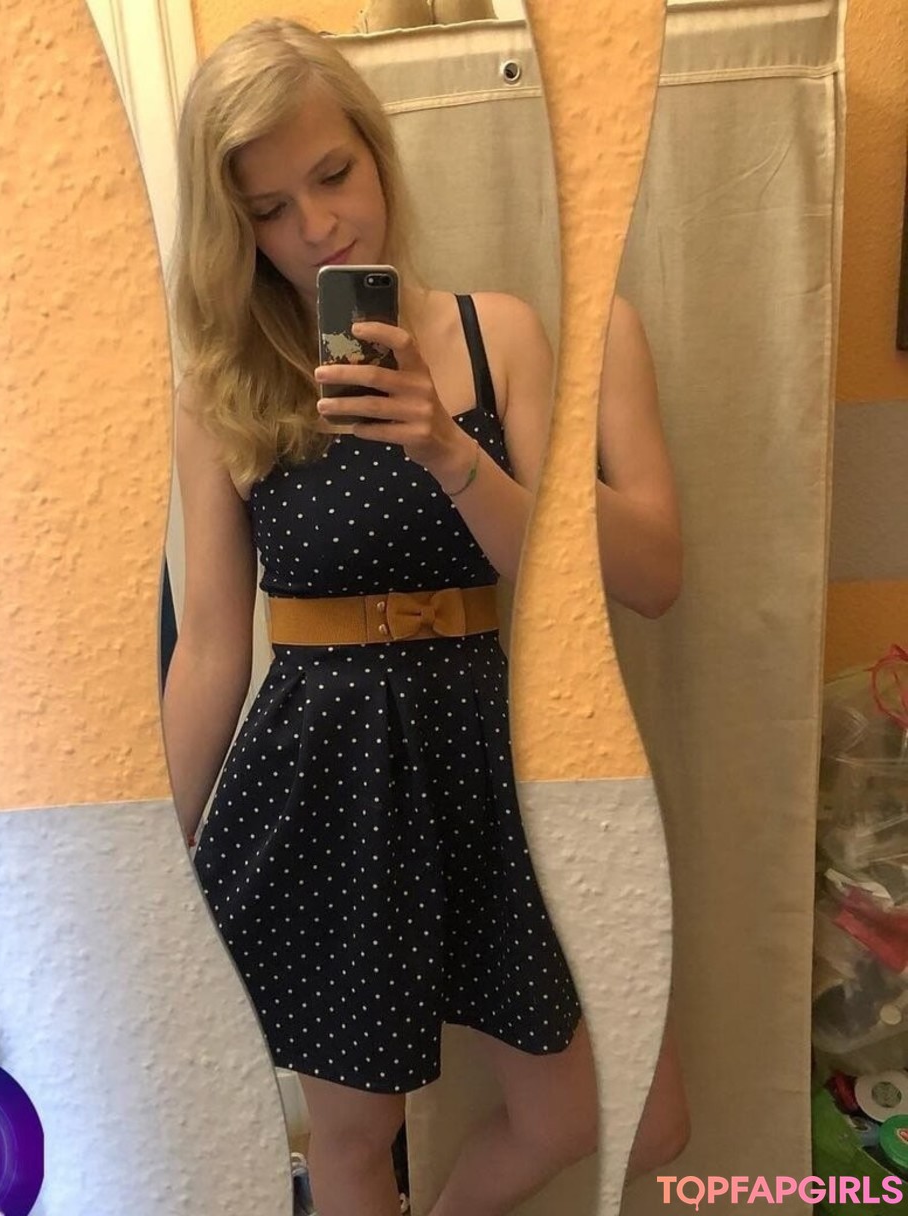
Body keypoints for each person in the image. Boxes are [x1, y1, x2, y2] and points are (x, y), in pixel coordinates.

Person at [162, 17, 687, 1216]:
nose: (318, 225)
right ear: (235, 228)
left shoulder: (498, 336)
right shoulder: (223, 392)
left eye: (333, 174)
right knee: (353, 1140)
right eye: (270, 209)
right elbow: (212, 647)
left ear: (376, 149)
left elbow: (622, 581)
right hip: (324, 776)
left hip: (498, 763)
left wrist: (449, 448)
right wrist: (154, 856)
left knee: (599, 1114)